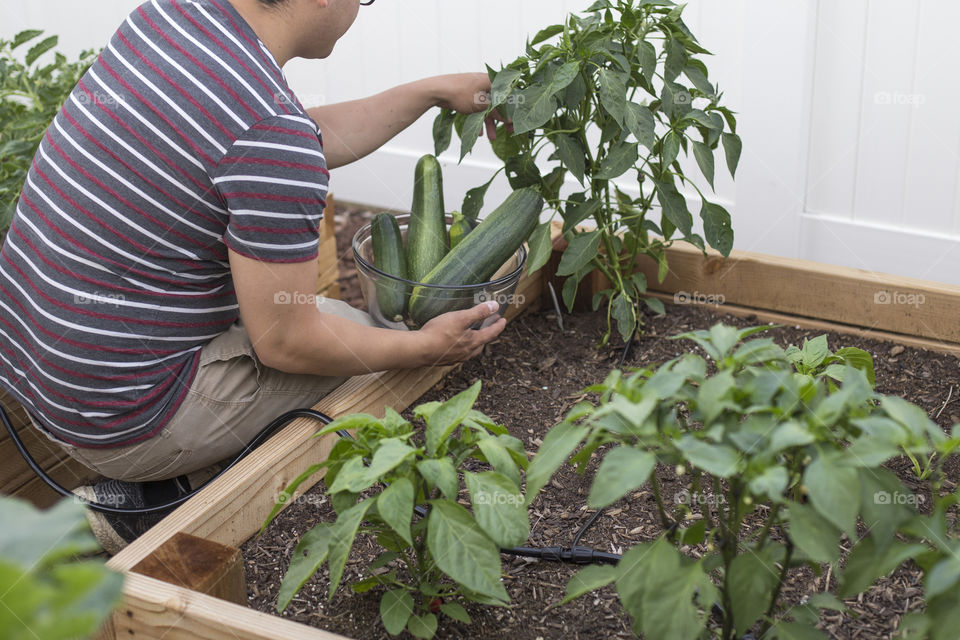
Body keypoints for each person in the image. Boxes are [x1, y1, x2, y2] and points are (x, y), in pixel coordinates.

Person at [0, 0, 505, 553]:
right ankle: (159, 504)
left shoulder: (172, 20)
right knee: (366, 360)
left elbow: (295, 139)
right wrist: (427, 348)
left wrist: (430, 91)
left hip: (40, 372)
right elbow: (287, 342)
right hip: (118, 420)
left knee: (349, 332)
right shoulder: (266, 130)